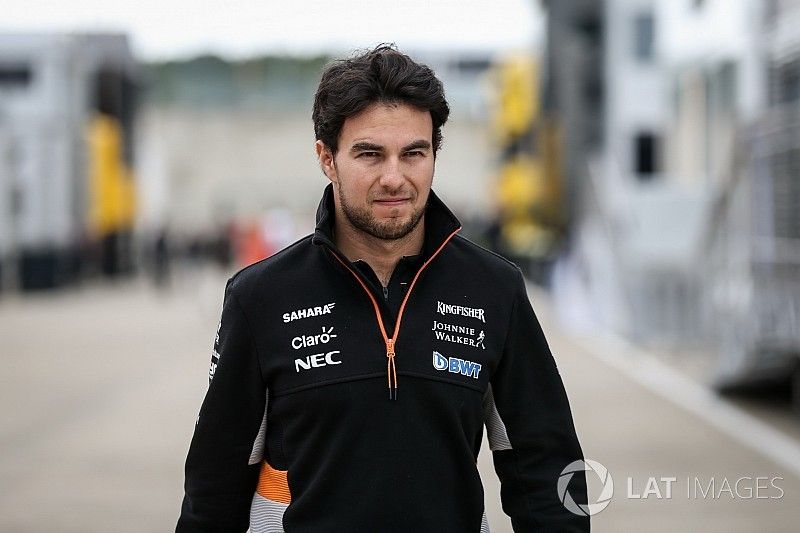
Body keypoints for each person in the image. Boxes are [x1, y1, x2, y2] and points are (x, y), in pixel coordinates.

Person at [177, 44, 589, 532]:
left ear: (434, 153)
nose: (394, 177)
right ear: (326, 158)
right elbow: (213, 492)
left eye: (413, 153)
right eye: (370, 154)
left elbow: (549, 470)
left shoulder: (494, 290)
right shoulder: (260, 298)